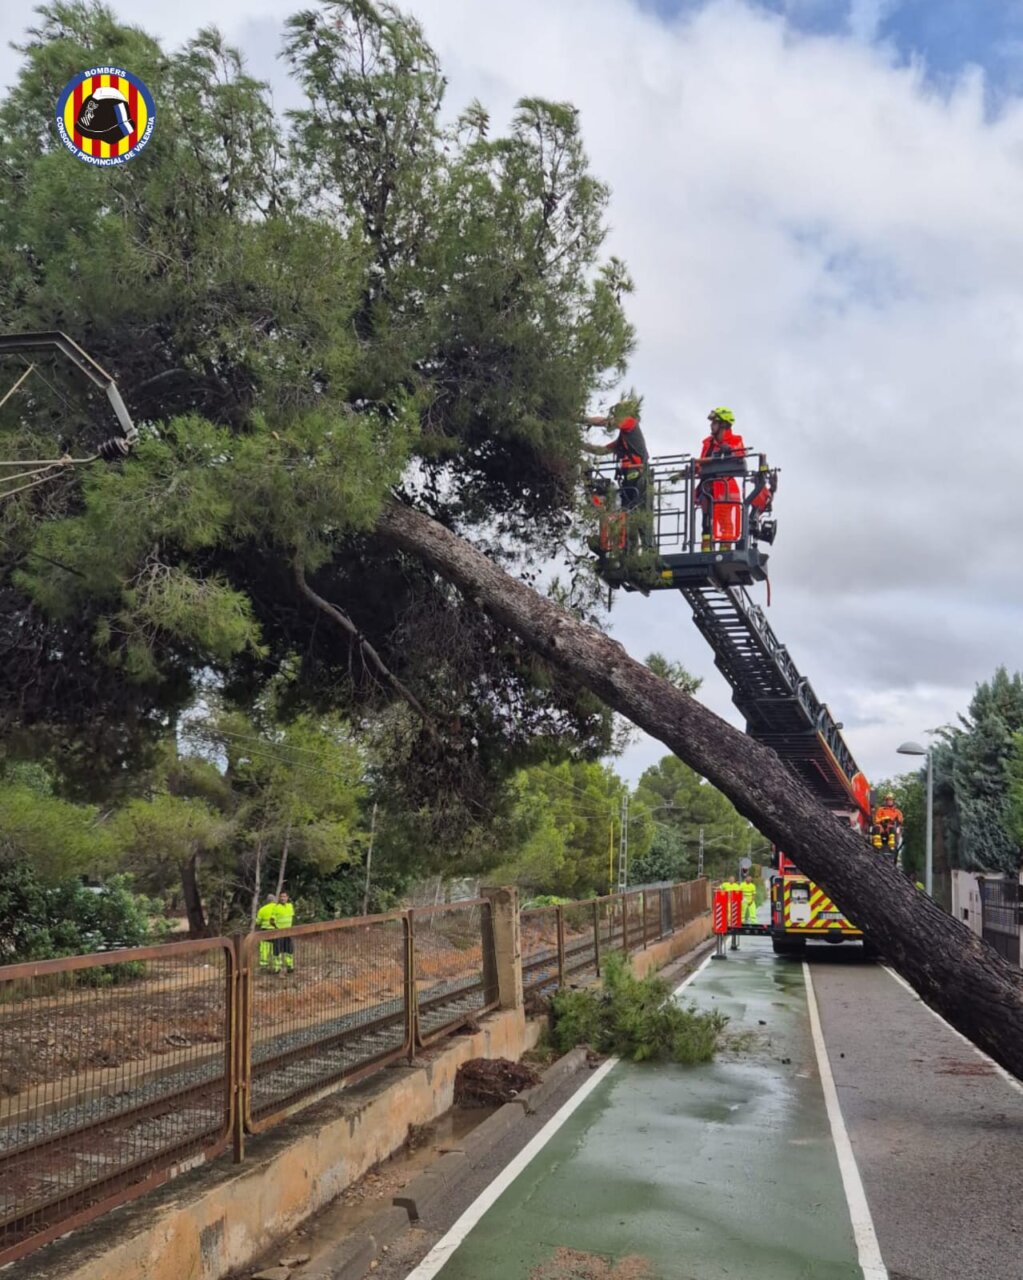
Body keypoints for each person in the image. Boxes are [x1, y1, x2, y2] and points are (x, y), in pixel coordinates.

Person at [696, 407, 770, 551]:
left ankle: (725, 548)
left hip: (725, 488)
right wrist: (694, 468)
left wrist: (728, 449)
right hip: (707, 487)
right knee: (706, 522)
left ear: (723, 424)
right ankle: (706, 549)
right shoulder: (707, 443)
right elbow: (701, 462)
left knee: (725, 523)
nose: (711, 425)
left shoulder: (735, 440)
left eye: (714, 422)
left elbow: (740, 452)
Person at [582, 402, 651, 551]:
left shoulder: (630, 423)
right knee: (628, 514)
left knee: (637, 513)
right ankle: (631, 551)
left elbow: (607, 422)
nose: (615, 416)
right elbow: (601, 450)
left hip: (638, 478)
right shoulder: (623, 439)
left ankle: (647, 551)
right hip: (629, 480)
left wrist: (583, 419)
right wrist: (580, 445)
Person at [273, 891, 296, 974]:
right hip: (279, 932)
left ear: (287, 897)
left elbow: (291, 918)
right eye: (281, 897)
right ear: (279, 898)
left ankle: (290, 966)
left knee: (289, 950)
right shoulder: (276, 907)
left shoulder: (290, 906)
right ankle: (277, 967)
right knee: (277, 950)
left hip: (288, 931)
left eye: (284, 896)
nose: (283, 898)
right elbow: (272, 919)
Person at [256, 893, 278, 970]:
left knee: (264, 949)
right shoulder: (278, 908)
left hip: (265, 931)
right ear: (274, 900)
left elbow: (258, 922)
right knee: (276, 949)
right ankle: (276, 967)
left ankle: (264, 965)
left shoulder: (262, 909)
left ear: (267, 901)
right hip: (276, 931)